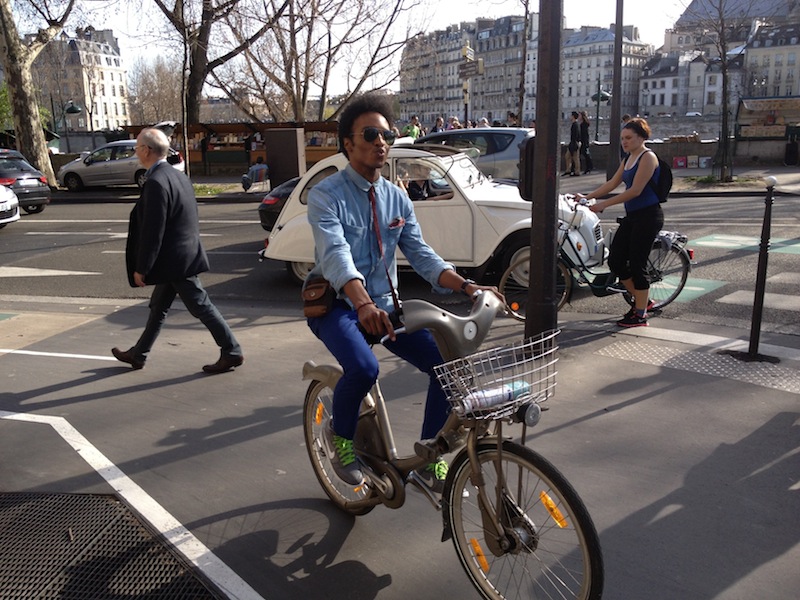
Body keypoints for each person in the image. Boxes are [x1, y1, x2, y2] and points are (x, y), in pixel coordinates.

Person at [304, 93, 500, 490]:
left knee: (448, 368)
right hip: (338, 306)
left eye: (387, 134)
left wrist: (465, 285)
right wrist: (361, 304)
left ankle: (429, 456)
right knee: (363, 368)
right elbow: (337, 255)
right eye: (371, 134)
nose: (382, 142)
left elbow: (422, 255)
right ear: (349, 143)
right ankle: (341, 440)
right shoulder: (327, 195)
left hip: (385, 306)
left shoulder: (397, 197)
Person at [111, 128, 244, 374]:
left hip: (175, 261)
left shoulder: (155, 182)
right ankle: (138, 354)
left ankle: (232, 350)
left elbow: (153, 230)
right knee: (158, 306)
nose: (135, 152)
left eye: (137, 147)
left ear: (147, 151)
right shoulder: (177, 175)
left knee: (201, 305)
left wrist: (142, 268)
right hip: (181, 255)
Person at [575, 117, 663, 328]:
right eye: (623, 138)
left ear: (641, 137)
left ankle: (640, 315)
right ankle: (644, 301)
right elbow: (612, 183)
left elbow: (635, 191)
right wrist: (587, 197)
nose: (624, 142)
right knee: (615, 261)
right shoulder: (628, 158)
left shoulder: (647, 157)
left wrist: (603, 204)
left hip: (648, 217)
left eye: (629, 138)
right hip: (633, 217)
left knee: (636, 264)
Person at [562, 111, 580, 176]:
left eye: (571, 115)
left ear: (573, 116)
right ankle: (569, 170)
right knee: (568, 156)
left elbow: (575, 135)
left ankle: (576, 171)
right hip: (574, 143)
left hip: (574, 143)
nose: (570, 117)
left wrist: (574, 143)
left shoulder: (575, 125)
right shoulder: (576, 124)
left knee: (574, 158)